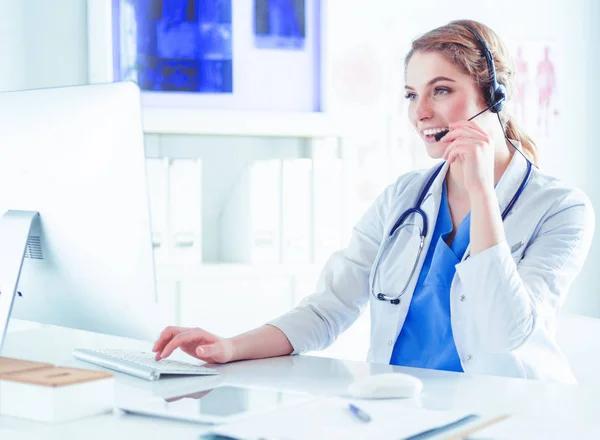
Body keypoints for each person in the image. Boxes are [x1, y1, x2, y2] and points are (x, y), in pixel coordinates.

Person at [152, 20, 594, 383]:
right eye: (410, 94)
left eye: (440, 90)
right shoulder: (404, 198)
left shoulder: (561, 210)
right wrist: (231, 347)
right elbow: (329, 307)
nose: (419, 112)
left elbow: (506, 334)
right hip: (405, 411)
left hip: (511, 418)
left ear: (493, 97)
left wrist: (481, 193)